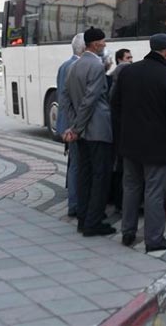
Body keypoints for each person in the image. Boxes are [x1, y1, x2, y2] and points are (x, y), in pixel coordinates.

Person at [112, 33, 166, 251]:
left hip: (130, 144)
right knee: (154, 191)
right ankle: (154, 239)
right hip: (158, 147)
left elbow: (115, 106)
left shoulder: (129, 72)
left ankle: (127, 232)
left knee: (131, 187)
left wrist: (121, 136)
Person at [61, 27, 116, 237]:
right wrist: (77, 127)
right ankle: (93, 223)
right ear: (94, 44)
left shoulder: (74, 66)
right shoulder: (96, 66)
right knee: (100, 178)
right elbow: (91, 100)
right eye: (102, 41)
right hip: (97, 131)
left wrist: (74, 126)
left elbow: (65, 97)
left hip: (81, 133)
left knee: (84, 177)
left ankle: (83, 219)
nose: (104, 44)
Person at [56, 33, 85, 217]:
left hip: (66, 123)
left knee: (73, 164)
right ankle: (75, 204)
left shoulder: (64, 65)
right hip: (74, 125)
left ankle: (74, 201)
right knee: (77, 166)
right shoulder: (76, 66)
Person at [107, 48, 133, 212]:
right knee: (121, 167)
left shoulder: (114, 80)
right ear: (119, 59)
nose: (131, 60)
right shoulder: (115, 81)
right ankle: (120, 202)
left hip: (118, 131)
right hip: (120, 131)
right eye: (128, 58)